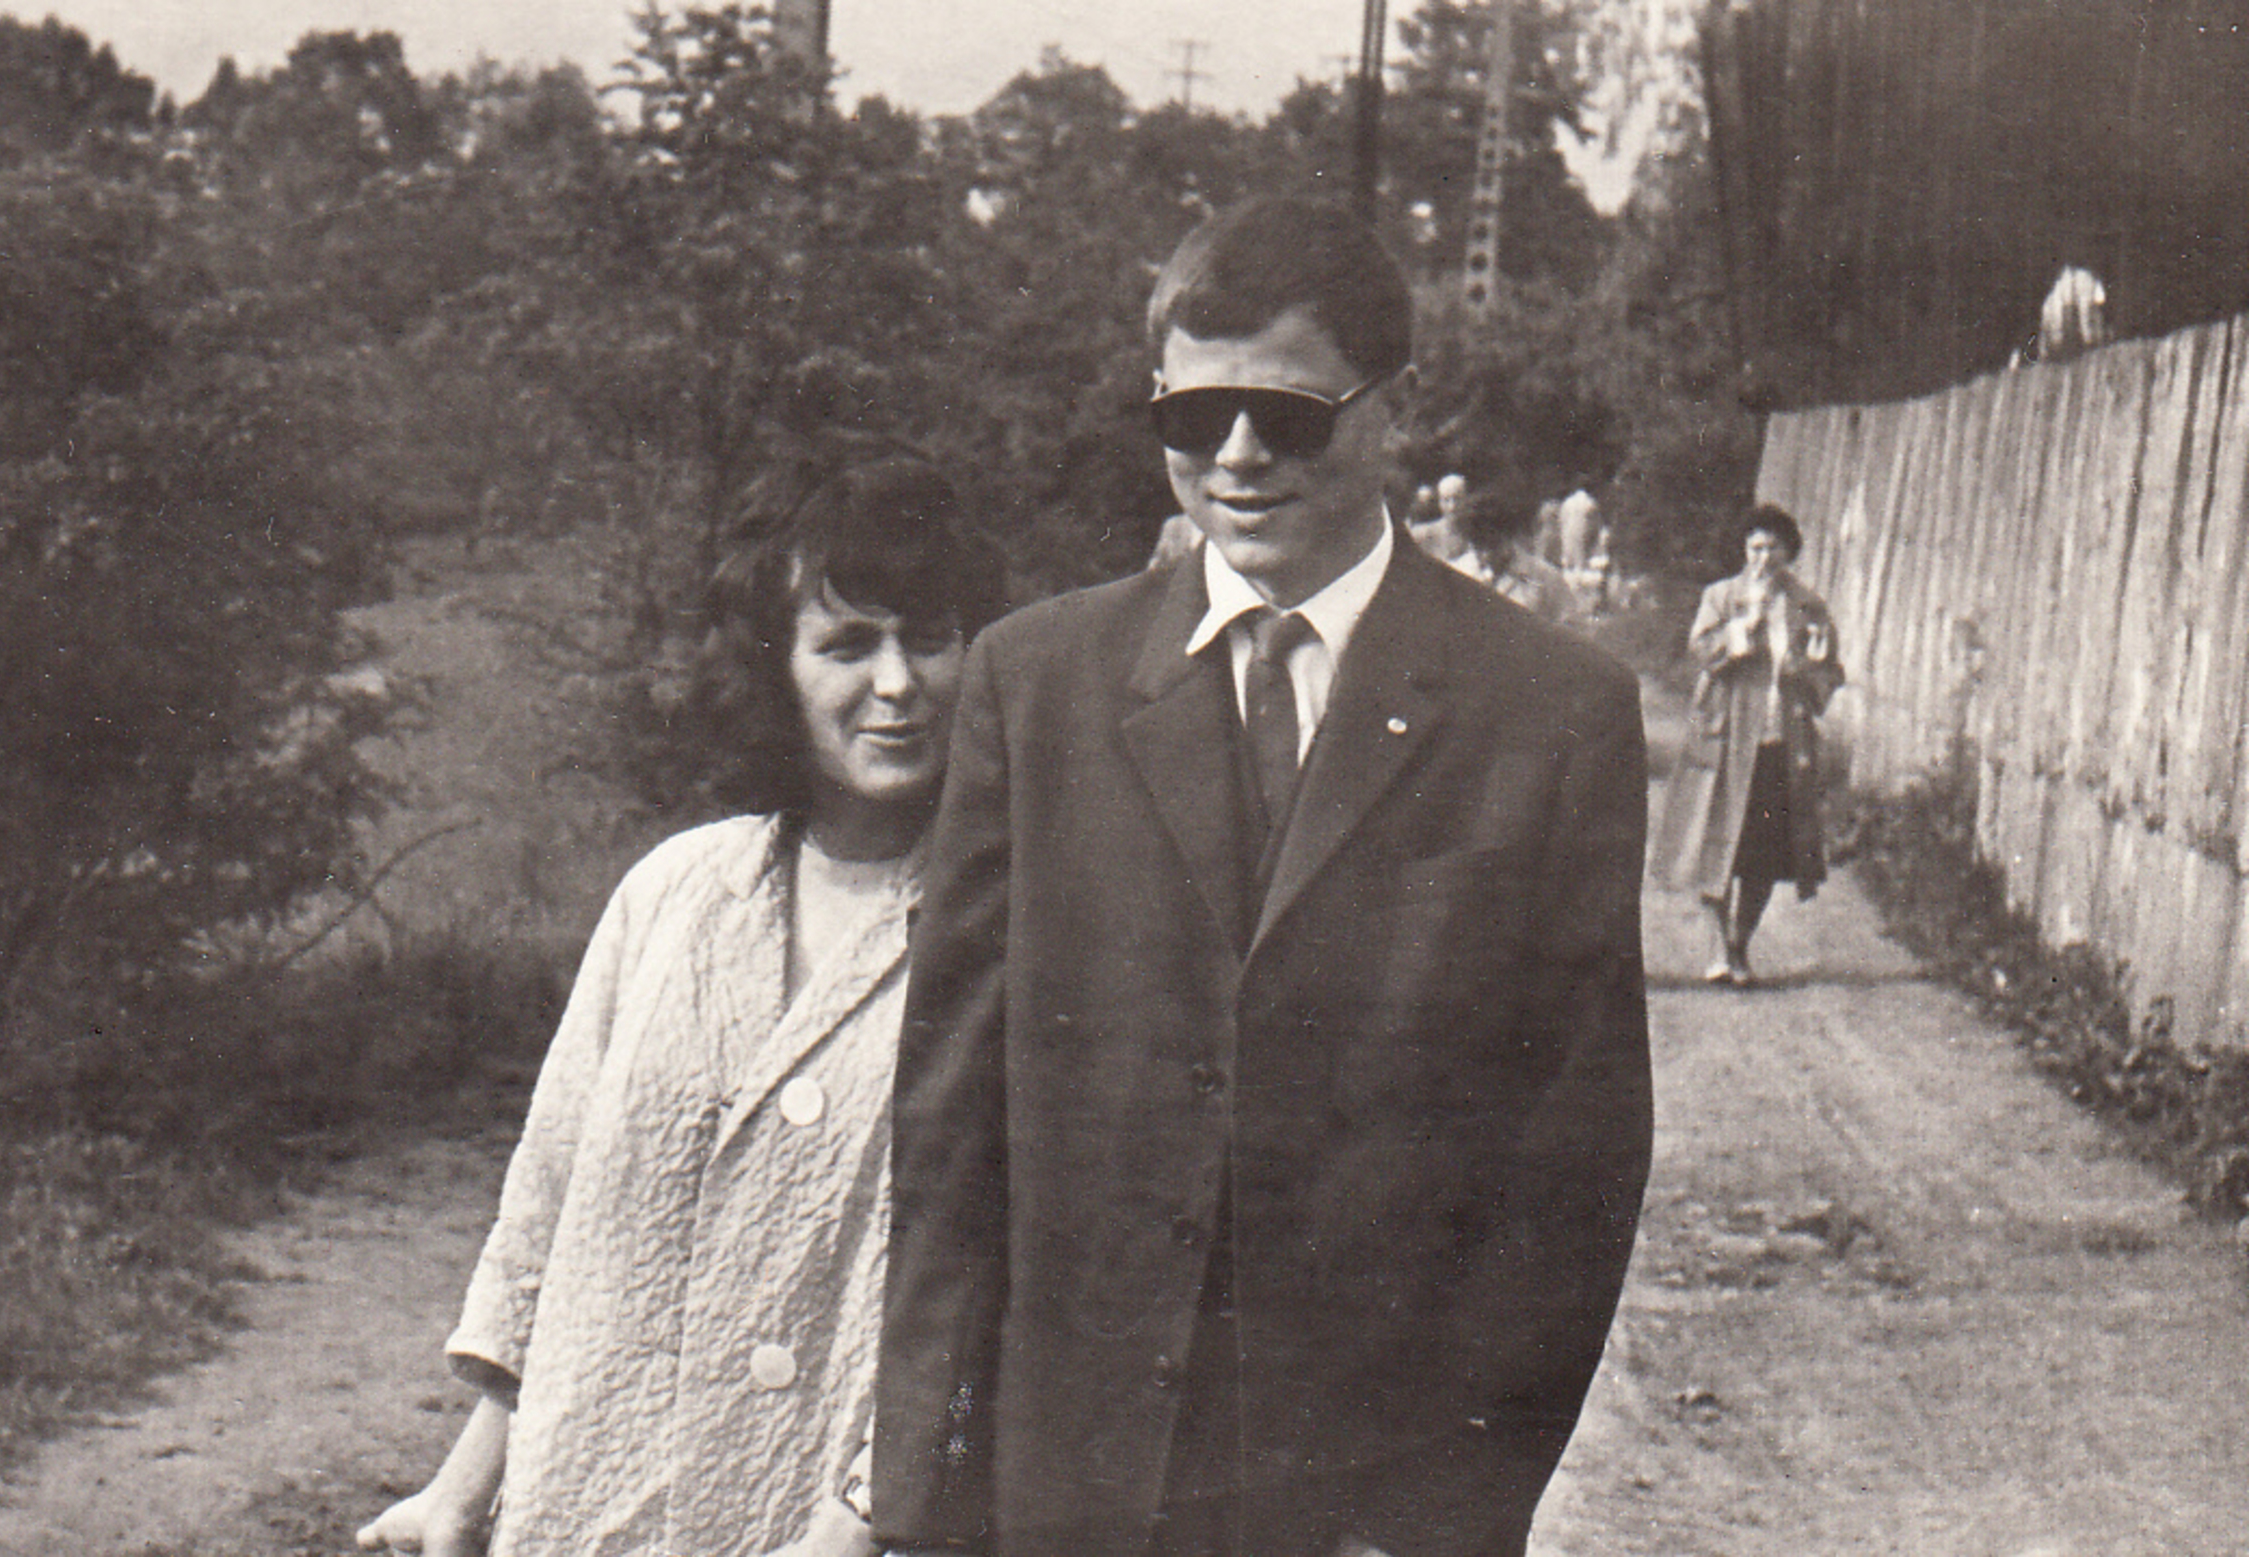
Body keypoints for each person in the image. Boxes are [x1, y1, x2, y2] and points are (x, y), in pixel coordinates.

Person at [873, 197, 1653, 1557]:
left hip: (1358, 1504)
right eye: (1194, 415)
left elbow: (1571, 1169)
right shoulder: (1035, 685)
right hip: (1066, 1496)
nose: (1236, 456)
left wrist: (1434, 1522)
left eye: (1286, 415)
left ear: (1390, 409)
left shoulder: (1551, 712)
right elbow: (950, 1139)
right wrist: (923, 1504)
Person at [356, 458, 1004, 1557]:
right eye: (848, 646)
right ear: (773, 670)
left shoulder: (1015, 925)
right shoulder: (673, 893)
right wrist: (460, 1492)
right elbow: (557, 1215)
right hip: (593, 1508)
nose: (897, 683)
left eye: (930, 640)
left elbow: (1001, 1287)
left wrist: (862, 1524)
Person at [1649, 503, 1844, 987]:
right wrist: (1744, 629)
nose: (1763, 558)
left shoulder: (1807, 605)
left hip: (1780, 743)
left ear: (1789, 551)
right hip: (1727, 739)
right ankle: (1717, 949)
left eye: (1773, 547)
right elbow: (1701, 650)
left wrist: (1807, 671)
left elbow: (1829, 672)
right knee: (1718, 845)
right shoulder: (1722, 596)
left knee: (1764, 855)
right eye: (1755, 547)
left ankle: (1739, 942)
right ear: (1744, 550)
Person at [1445, 485, 1582, 625]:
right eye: (1478, 547)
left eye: (1493, 546)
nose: (1486, 555)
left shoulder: (1544, 577)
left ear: (1509, 536)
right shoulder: (1457, 573)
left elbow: (1570, 628)